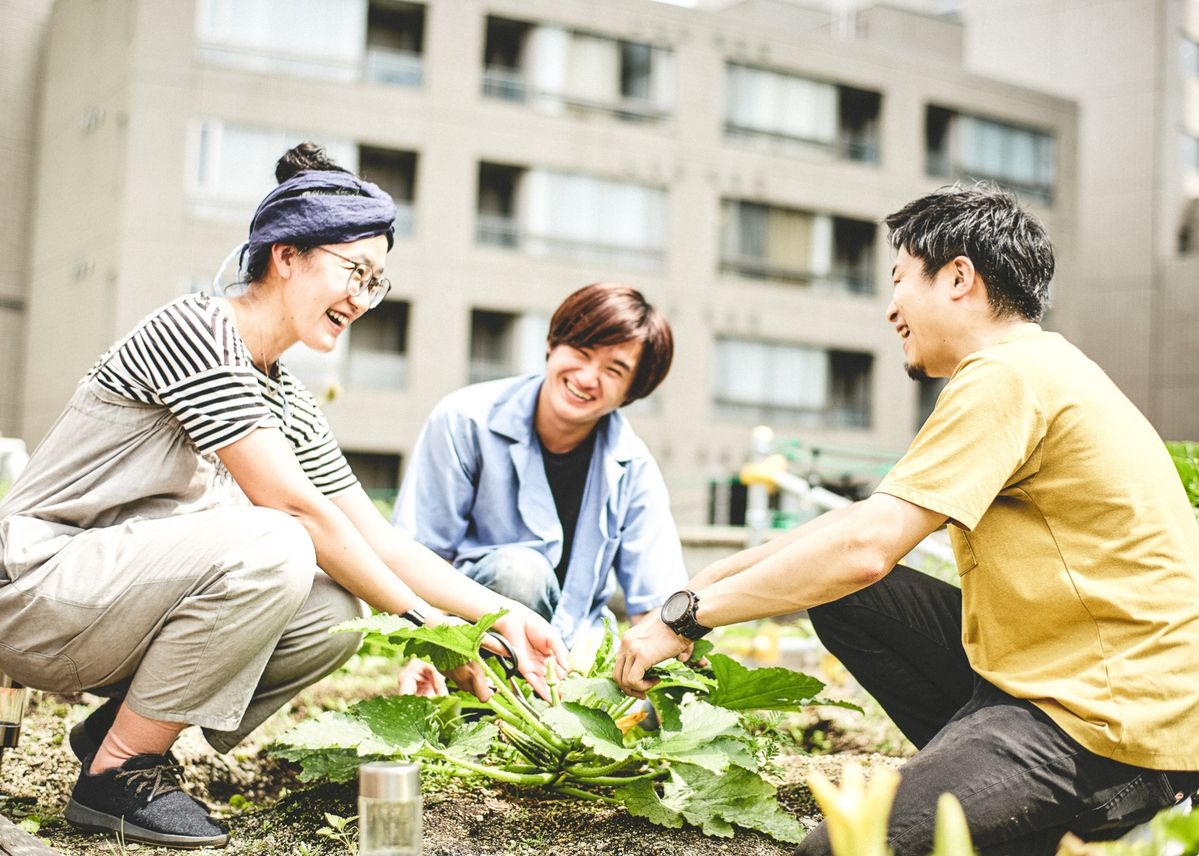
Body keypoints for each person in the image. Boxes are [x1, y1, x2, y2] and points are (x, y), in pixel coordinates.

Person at [0, 143, 565, 850]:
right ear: (286, 255)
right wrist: (427, 625)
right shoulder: (198, 332)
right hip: (37, 591)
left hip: (111, 606)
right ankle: (119, 774)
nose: (361, 299)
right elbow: (297, 511)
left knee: (333, 605)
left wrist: (500, 615)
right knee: (280, 541)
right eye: (353, 272)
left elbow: (374, 538)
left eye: (376, 283)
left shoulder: (285, 398)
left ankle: (114, 731)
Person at [613, 184, 1199, 855]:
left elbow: (864, 547)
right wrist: (703, 586)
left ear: (957, 277)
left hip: (1105, 728)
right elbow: (865, 525)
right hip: (1056, 685)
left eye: (898, 281)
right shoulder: (1036, 366)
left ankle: (1044, 807)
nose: (890, 309)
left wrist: (689, 619)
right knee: (853, 595)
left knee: (839, 848)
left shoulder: (1003, 377)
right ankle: (993, 790)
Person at [393, 282, 687, 647]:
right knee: (520, 573)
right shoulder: (465, 420)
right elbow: (419, 554)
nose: (586, 377)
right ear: (552, 344)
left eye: (614, 370)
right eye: (581, 351)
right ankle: (475, 699)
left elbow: (656, 601)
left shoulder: (635, 467)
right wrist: (431, 650)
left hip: (575, 647)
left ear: (631, 392)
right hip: (469, 638)